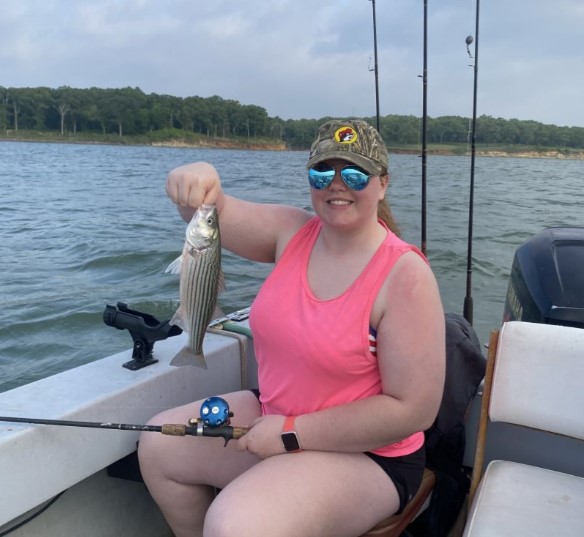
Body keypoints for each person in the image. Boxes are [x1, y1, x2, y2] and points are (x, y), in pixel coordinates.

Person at [138, 119, 445, 537]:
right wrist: (199, 179)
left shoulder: (405, 276)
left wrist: (291, 433)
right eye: (323, 173)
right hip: (275, 416)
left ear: (383, 184)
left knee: (235, 526)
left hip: (370, 455)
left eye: (354, 174)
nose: (337, 184)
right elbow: (210, 214)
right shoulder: (292, 232)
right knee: (159, 448)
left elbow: (413, 410)